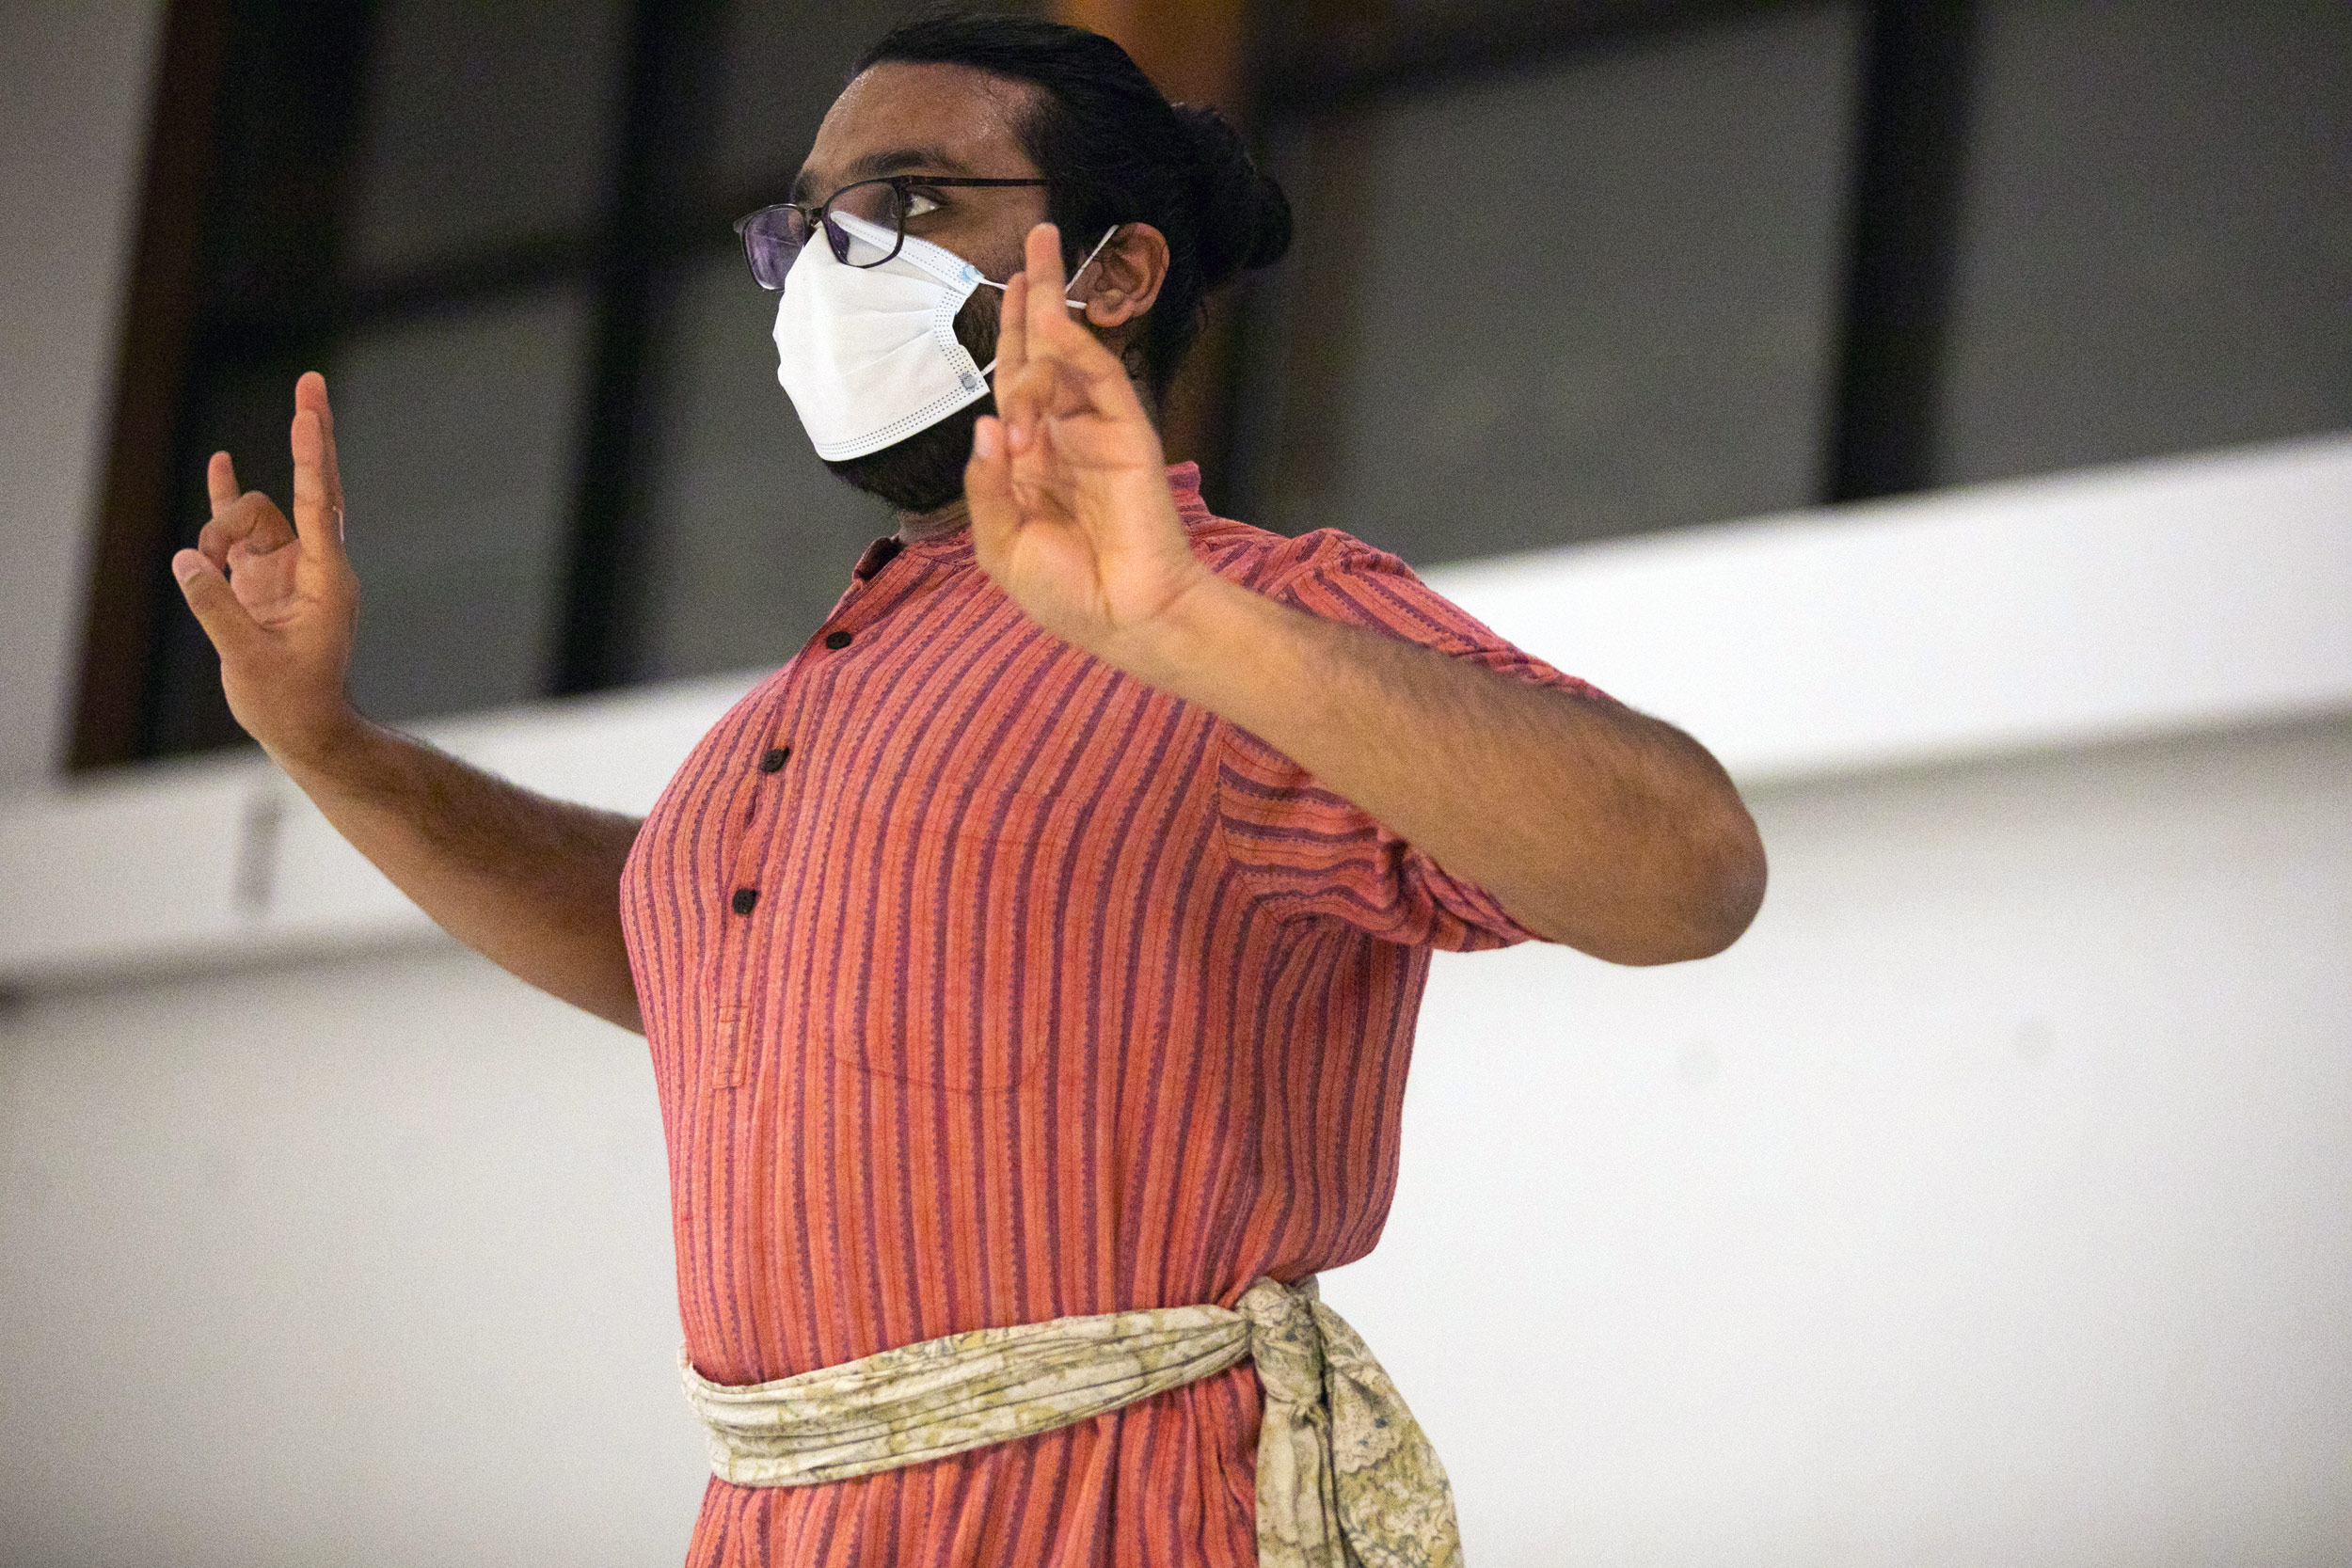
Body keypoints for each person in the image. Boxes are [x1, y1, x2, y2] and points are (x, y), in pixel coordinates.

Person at [168, 13, 1766, 1566]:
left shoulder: (1250, 618)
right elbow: (680, 957)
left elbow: (1690, 872)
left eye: (912, 201)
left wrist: (1190, 625)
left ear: (1117, 273)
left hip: (1117, 1518)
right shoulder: (788, 713)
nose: (827, 266)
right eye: (806, 225)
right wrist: (331, 745)